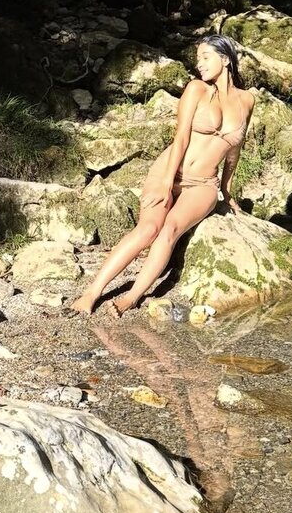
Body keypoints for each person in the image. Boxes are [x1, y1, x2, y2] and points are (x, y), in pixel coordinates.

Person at [69, 35, 255, 316]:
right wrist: (167, 183)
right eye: (198, 58)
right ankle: (91, 294)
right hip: (169, 170)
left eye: (205, 57)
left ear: (226, 59)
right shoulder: (196, 89)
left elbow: (233, 153)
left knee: (169, 230)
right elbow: (180, 138)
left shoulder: (247, 100)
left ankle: (131, 297)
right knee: (149, 229)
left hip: (203, 184)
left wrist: (227, 192)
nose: (199, 64)